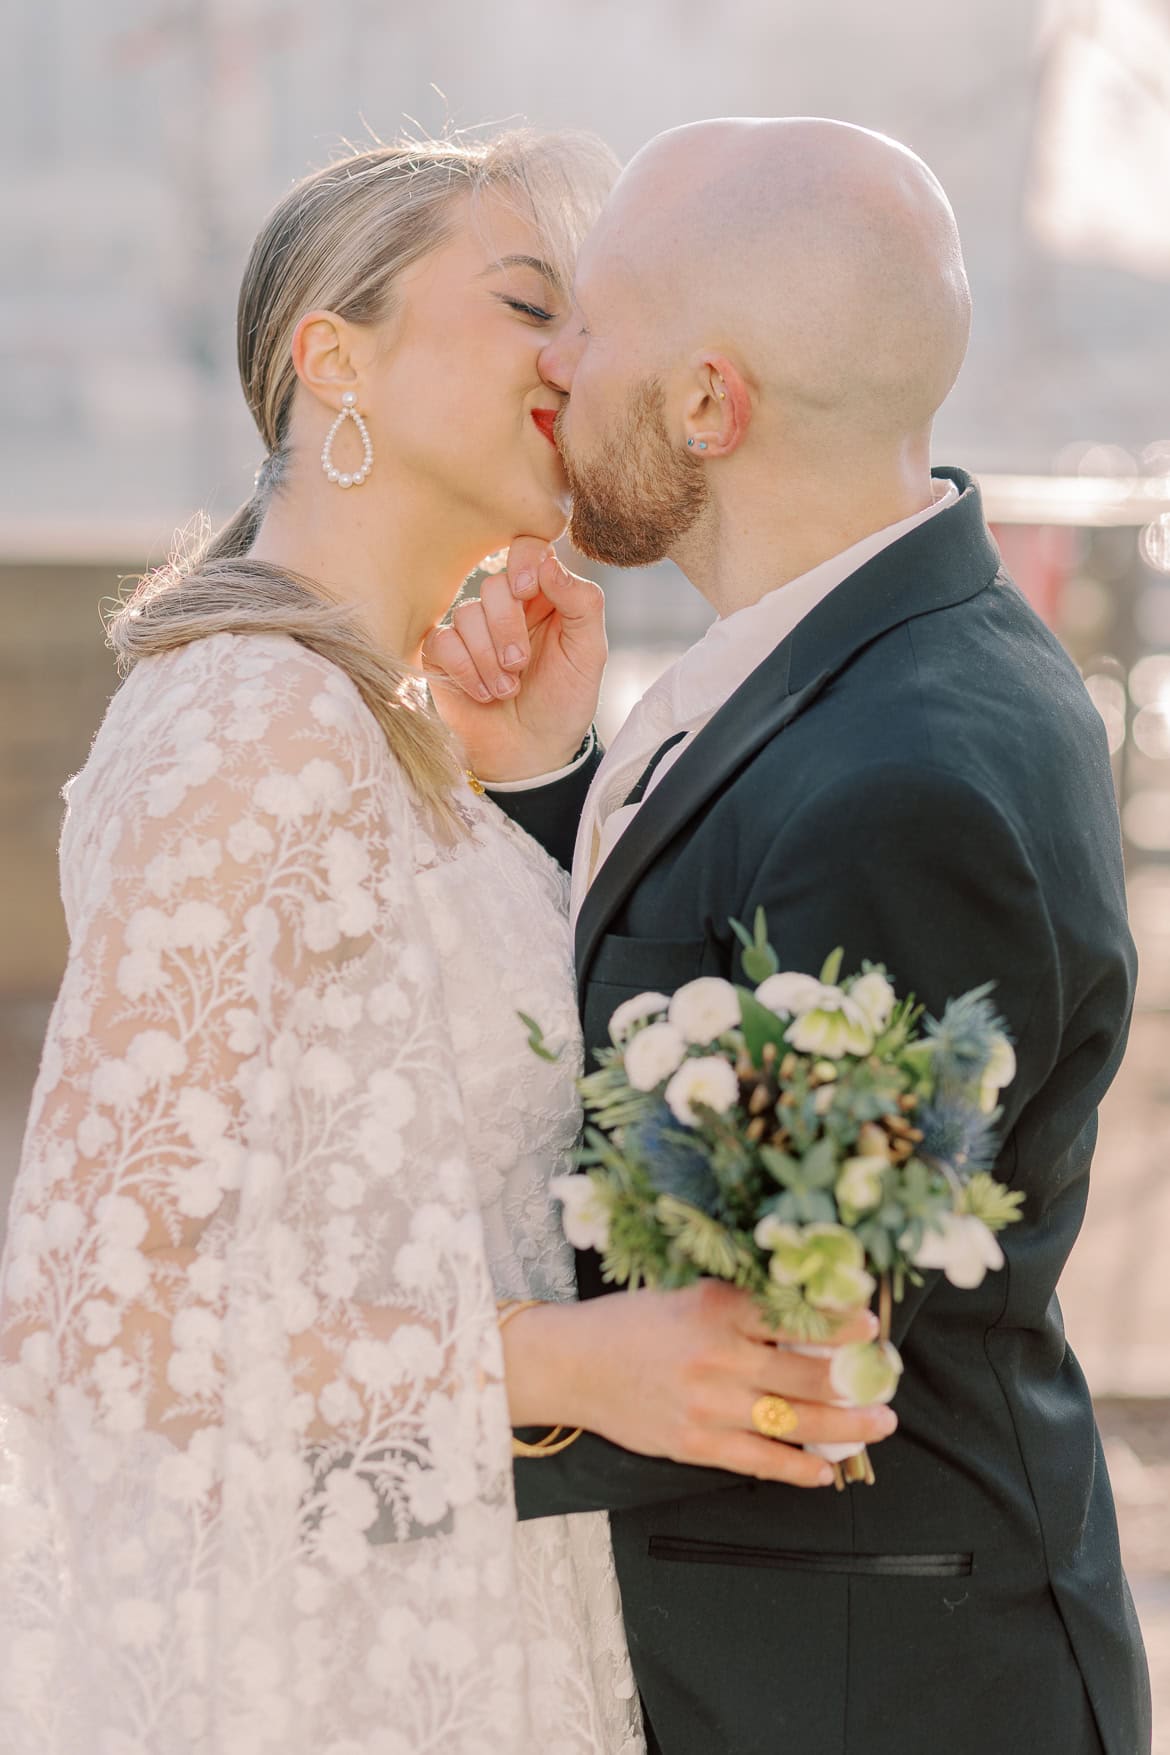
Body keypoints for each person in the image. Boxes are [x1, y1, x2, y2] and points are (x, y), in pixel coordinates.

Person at [0, 131, 895, 1755]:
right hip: (304, 1669)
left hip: (460, 1617)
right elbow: (91, 1328)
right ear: (330, 358)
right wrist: (569, 1365)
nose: (572, 356)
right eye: (525, 302)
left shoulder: (388, 730)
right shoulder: (245, 721)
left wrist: (541, 777)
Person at [425, 118, 1152, 1755]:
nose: (555, 371)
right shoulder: (891, 647)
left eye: (589, 324)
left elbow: (777, 1361)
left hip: (861, 1689)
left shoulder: (905, 783)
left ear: (706, 403)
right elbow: (691, 989)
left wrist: (318, 1399)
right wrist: (559, 789)